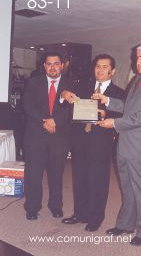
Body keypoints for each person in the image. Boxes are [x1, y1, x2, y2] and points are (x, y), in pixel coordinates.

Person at [93, 44, 141, 245]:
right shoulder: (138, 79)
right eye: (137, 58)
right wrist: (107, 100)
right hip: (125, 143)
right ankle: (126, 224)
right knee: (127, 187)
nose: (138, 62)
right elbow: (128, 107)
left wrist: (114, 123)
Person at [61, 54, 125, 231]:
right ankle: (80, 213)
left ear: (112, 71)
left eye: (105, 67)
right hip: (80, 140)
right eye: (98, 66)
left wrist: (106, 114)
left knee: (98, 180)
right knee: (80, 178)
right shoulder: (83, 87)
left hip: (101, 142)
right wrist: (64, 95)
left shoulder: (119, 93)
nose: (100, 70)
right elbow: (67, 106)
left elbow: (124, 115)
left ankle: (96, 217)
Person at [23, 52, 72, 220]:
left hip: (59, 137)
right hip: (35, 135)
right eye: (49, 64)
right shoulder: (33, 82)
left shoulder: (70, 84)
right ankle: (32, 207)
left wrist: (55, 121)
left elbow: (71, 110)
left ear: (62, 65)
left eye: (56, 63)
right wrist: (45, 121)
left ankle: (56, 206)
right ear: (44, 66)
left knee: (56, 174)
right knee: (33, 173)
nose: (52, 67)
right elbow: (27, 105)